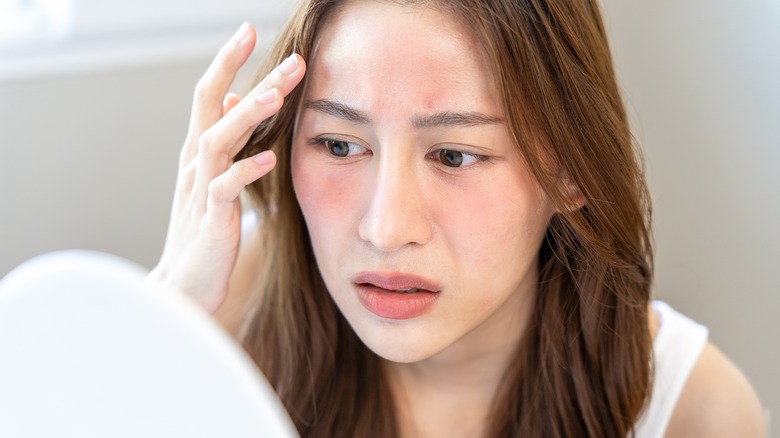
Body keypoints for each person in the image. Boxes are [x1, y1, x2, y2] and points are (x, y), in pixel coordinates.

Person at [148, 0, 767, 436]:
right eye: (338, 145)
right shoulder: (222, 314)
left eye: (453, 156)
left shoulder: (694, 414)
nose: (385, 230)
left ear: (571, 171)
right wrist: (161, 317)